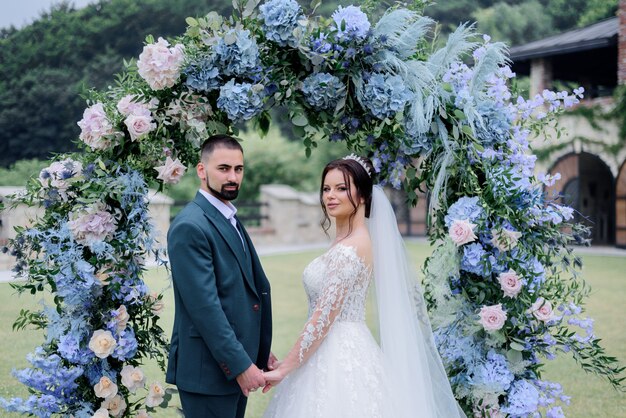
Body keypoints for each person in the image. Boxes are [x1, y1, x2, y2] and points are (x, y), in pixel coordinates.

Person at [261, 155, 465, 418]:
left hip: (341, 355)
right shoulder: (342, 242)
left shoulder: (353, 247)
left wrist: (285, 367)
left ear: (363, 196)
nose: (331, 196)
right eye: (326, 188)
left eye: (342, 188)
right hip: (323, 350)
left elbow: (324, 316)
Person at [165, 134, 274, 418]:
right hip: (209, 374)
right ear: (202, 171)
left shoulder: (228, 217)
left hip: (233, 365)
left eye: (238, 169)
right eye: (223, 168)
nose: (233, 177)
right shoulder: (190, 226)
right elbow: (206, 309)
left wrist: (258, 352)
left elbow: (242, 292)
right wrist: (240, 365)